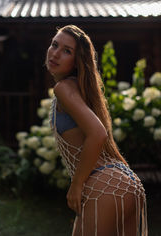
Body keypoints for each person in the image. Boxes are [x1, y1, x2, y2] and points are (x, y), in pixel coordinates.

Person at [46, 25, 148, 236]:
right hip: (127, 181)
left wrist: (76, 185)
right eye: (54, 45)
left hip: (103, 185)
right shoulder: (80, 89)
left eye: (67, 51)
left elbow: (98, 133)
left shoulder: (64, 88)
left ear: (77, 62)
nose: (55, 53)